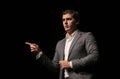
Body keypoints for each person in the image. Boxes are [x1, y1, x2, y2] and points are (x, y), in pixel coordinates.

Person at [25, 9, 99, 79]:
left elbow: (94, 56)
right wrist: (39, 53)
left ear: (77, 21)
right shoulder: (60, 43)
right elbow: (55, 67)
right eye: (63, 20)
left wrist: (71, 64)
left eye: (69, 19)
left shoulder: (86, 36)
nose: (65, 22)